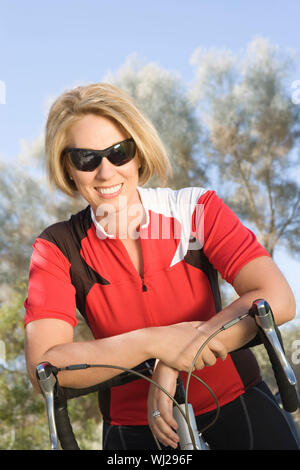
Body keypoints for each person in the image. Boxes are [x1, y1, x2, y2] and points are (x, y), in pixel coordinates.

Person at [24, 83, 299, 450]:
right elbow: (45, 365)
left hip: (240, 404)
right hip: (131, 433)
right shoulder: (56, 247)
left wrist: (178, 358)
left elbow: (278, 299)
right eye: (86, 159)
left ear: (138, 155)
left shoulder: (197, 209)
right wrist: (154, 343)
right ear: (68, 169)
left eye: (119, 153)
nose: (106, 173)